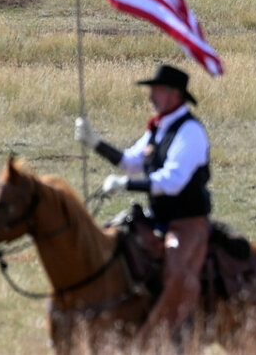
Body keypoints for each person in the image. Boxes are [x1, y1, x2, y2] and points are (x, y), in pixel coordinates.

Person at [75, 64, 211, 350]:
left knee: (176, 275)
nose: (151, 96)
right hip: (157, 218)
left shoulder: (190, 132)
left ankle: (159, 339)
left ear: (174, 94)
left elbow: (173, 181)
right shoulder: (157, 130)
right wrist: (95, 142)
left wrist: (126, 185)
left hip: (187, 224)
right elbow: (130, 162)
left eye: (156, 90)